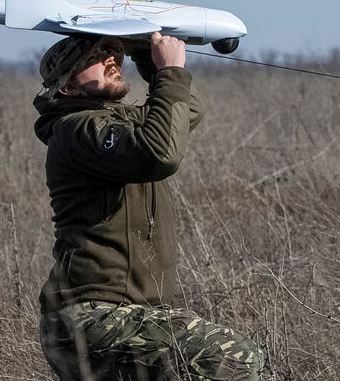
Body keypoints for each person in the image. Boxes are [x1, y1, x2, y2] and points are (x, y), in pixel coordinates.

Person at [33, 32, 264, 380]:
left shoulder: (114, 123)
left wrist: (145, 53)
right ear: (67, 87)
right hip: (89, 319)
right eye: (95, 59)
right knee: (234, 355)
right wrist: (169, 71)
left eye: (114, 54)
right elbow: (160, 154)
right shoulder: (77, 131)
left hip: (122, 315)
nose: (111, 61)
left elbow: (184, 112)